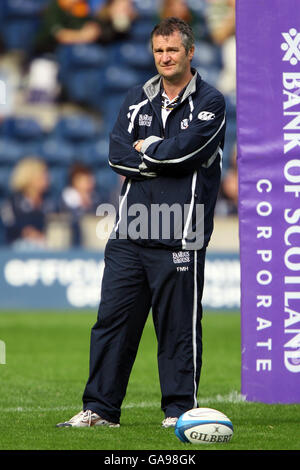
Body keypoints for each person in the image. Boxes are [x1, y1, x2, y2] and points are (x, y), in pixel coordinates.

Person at [56, 17, 226, 428]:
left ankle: (179, 413)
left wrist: (147, 150)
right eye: (159, 51)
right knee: (112, 322)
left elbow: (185, 153)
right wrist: (161, 156)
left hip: (181, 233)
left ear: (190, 52)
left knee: (177, 330)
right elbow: (117, 156)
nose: (165, 58)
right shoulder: (135, 98)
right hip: (130, 231)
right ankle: (99, 410)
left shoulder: (211, 101)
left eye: (172, 50)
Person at [0, 157, 53, 249]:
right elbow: (10, 226)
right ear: (29, 177)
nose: (47, 179)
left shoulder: (49, 203)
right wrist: (26, 232)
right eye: (42, 175)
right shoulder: (12, 203)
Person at [59, 162, 101, 245]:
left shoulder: (96, 198)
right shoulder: (66, 198)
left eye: (90, 179)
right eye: (85, 179)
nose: (90, 182)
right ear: (75, 181)